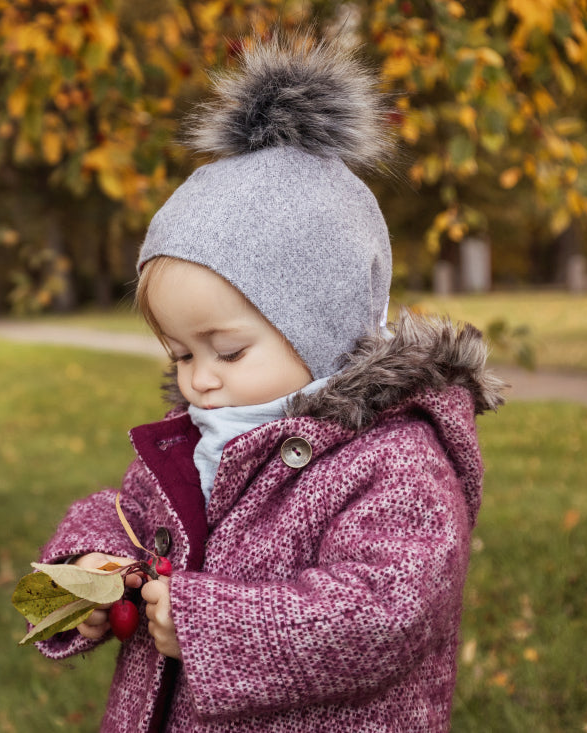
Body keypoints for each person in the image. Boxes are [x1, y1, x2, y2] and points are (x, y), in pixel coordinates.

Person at [32, 34, 506, 731]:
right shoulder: (202, 440)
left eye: (226, 350)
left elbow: (389, 609)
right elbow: (127, 513)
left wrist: (207, 623)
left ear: (325, 327)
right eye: (180, 354)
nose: (201, 381)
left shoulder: (394, 459)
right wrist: (90, 569)